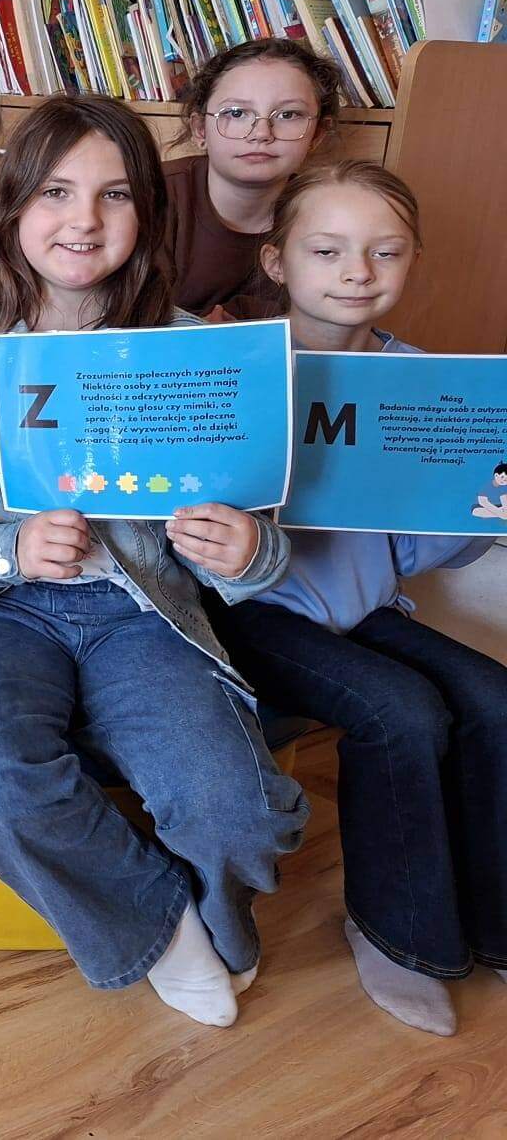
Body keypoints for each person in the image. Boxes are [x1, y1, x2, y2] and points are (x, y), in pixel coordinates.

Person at [0, 94, 307, 1028]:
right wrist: (6, 546)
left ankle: (214, 922)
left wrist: (247, 550)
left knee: (240, 810)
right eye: (56, 192)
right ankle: (165, 931)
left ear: (147, 212)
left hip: (140, 607)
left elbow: (263, 541)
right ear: (13, 206)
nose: (83, 219)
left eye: (114, 194)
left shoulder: (195, 353)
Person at [212, 159, 506, 1035]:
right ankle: (397, 935)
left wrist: (478, 507)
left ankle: (494, 920)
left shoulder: (417, 379)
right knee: (401, 712)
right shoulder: (237, 369)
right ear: (278, 261)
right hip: (255, 614)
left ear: (412, 260)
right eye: (328, 250)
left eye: (385, 252)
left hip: (368, 607)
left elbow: (419, 552)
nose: (358, 272)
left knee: (494, 698)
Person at [164, 36, 341, 318]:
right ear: (200, 129)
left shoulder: (330, 217)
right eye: (236, 113)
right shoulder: (150, 194)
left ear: (317, 134)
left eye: (288, 115)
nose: (261, 133)